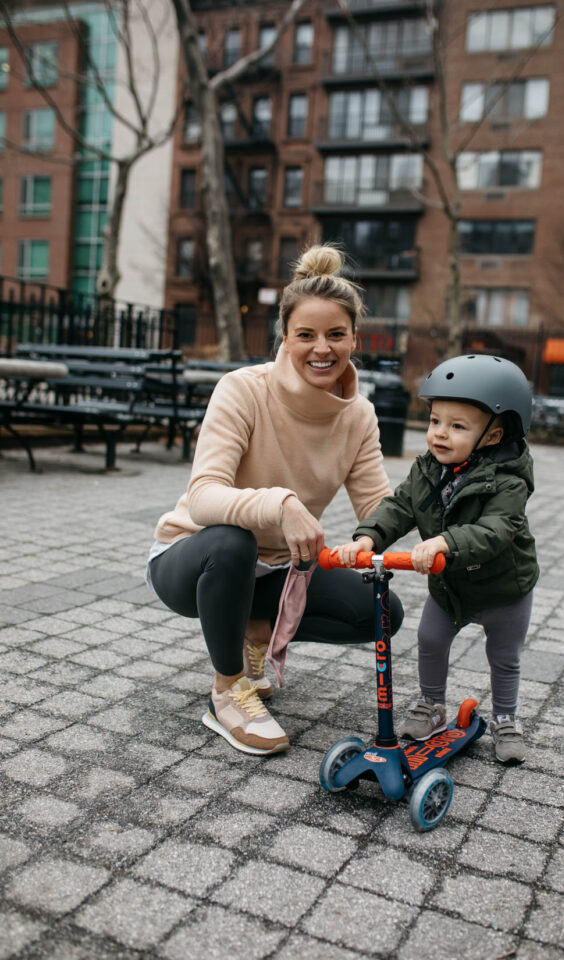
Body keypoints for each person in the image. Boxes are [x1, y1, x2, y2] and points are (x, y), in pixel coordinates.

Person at [146, 244, 403, 757]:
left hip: (281, 573)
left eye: (336, 334)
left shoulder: (359, 416)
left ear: (355, 338)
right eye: (305, 334)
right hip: (196, 559)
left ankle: (258, 628)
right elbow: (203, 497)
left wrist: (453, 532)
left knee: (382, 612)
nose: (321, 348)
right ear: (284, 337)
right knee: (233, 541)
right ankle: (229, 689)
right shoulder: (243, 389)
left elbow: (378, 504)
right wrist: (281, 503)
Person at [333, 354, 538, 764]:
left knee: (504, 656)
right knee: (430, 640)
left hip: (503, 590)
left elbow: (495, 531)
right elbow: (399, 507)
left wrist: (444, 542)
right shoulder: (428, 470)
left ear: (494, 436)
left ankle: (505, 718)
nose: (440, 434)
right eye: (435, 421)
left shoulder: (509, 482)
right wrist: (366, 539)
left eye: (457, 426)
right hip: (449, 587)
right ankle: (432, 705)